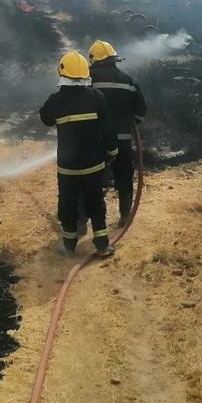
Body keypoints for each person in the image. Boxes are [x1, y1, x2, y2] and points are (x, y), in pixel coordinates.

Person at [39, 51, 117, 256]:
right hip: (94, 164)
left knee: (67, 203)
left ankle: (69, 245)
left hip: (68, 167)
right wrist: (112, 151)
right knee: (96, 203)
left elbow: (45, 119)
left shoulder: (55, 100)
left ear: (62, 73)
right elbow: (108, 129)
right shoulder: (97, 97)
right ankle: (102, 245)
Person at [88, 39, 147, 223]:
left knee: (90, 182)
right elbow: (141, 112)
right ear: (114, 59)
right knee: (124, 177)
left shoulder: (86, 81)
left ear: (94, 60)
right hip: (122, 140)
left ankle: (84, 224)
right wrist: (129, 126)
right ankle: (124, 215)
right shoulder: (129, 81)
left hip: (94, 142)